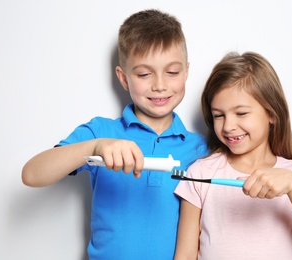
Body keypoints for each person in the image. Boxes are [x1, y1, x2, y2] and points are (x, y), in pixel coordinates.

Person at [22, 9, 208, 259]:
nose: (160, 85)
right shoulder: (101, 132)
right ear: (123, 78)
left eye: (172, 72)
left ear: (186, 72)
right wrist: (94, 147)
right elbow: (32, 174)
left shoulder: (201, 149)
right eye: (144, 74)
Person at [173, 52, 292, 260]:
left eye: (241, 113)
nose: (228, 126)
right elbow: (185, 254)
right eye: (219, 115)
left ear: (271, 113)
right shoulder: (200, 172)